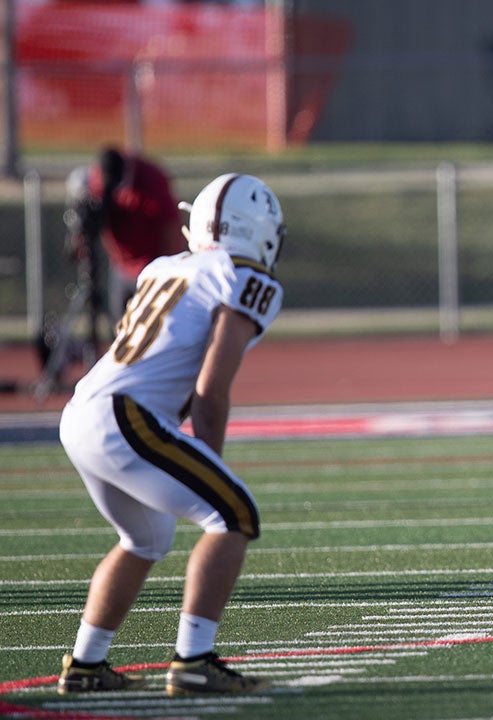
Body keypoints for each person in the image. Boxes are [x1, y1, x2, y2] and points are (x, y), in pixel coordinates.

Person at [55, 173, 286, 696]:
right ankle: (193, 660)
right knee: (233, 512)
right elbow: (210, 388)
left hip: (83, 410)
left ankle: (87, 665)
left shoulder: (167, 268)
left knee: (146, 537)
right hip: (123, 416)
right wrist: (214, 463)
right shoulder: (242, 275)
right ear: (260, 232)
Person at [72, 147, 189, 324]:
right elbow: (93, 213)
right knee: (120, 328)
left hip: (151, 268)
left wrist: (167, 271)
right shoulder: (98, 177)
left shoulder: (151, 179)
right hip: (120, 266)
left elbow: (171, 228)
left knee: (151, 331)